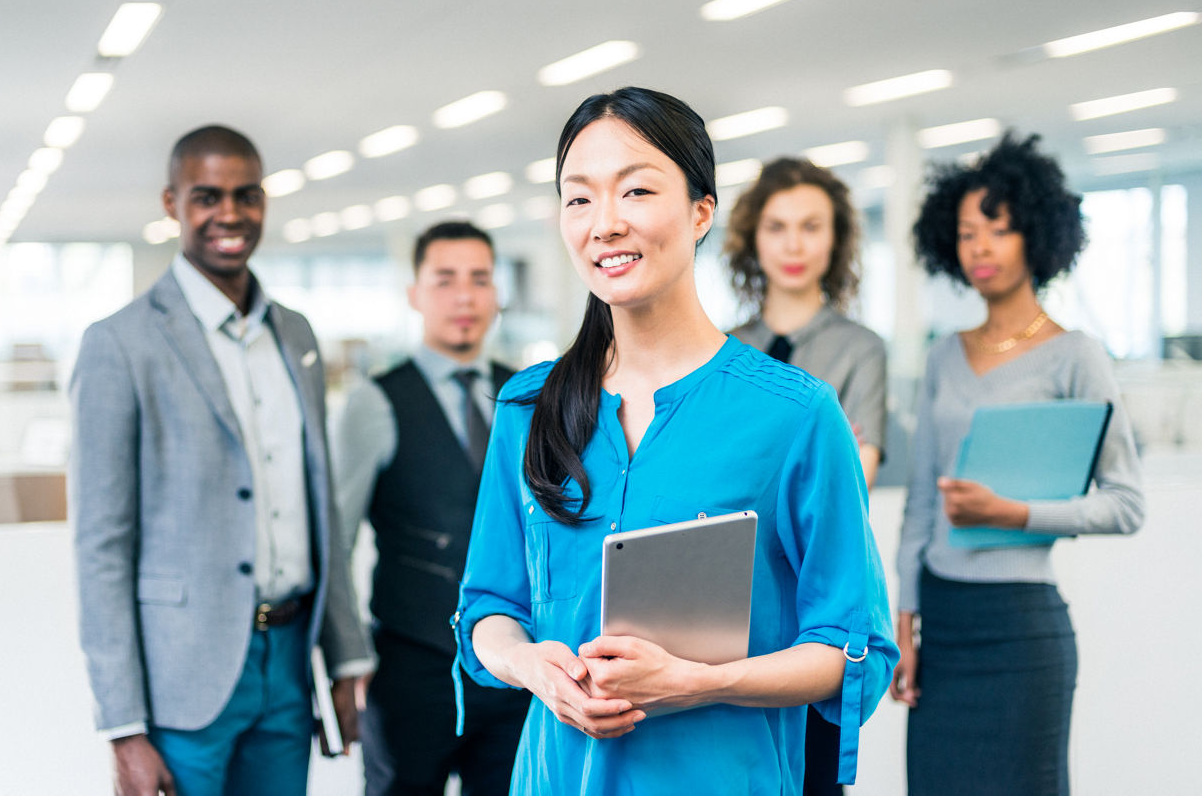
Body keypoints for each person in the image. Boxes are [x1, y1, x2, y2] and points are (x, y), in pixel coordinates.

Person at [453, 87, 897, 795]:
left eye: (636, 191)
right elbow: (489, 607)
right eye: (579, 198)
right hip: (557, 777)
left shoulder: (796, 415)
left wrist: (700, 681)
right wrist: (532, 666)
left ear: (700, 211)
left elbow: (852, 649)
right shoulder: (529, 408)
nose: (605, 224)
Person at [70, 125, 372, 796]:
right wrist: (122, 727)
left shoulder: (295, 334)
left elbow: (319, 507)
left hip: (289, 661)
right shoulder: (119, 344)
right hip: (183, 677)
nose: (229, 214)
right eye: (207, 196)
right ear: (172, 203)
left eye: (246, 195)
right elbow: (100, 547)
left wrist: (345, 653)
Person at [890, 132, 1145, 796]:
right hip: (943, 628)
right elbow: (921, 503)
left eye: (998, 230)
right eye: (967, 233)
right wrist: (904, 622)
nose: (980, 247)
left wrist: (1016, 513)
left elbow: (1126, 503)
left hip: (1021, 632)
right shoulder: (943, 355)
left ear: (1037, 234)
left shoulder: (1075, 355)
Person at [331, 221, 530, 795]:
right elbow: (337, 540)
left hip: (516, 665)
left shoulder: (526, 395)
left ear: (497, 294)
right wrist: (349, 659)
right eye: (445, 280)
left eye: (479, 280)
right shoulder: (375, 401)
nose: (464, 297)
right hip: (412, 664)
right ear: (415, 294)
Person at [723, 157, 887, 793]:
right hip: (736, 594)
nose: (794, 245)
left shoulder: (860, 350)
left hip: (818, 595)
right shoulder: (720, 348)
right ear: (752, 239)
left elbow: (854, 481)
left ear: (835, 239)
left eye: (811, 226)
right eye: (778, 227)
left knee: (813, 769)